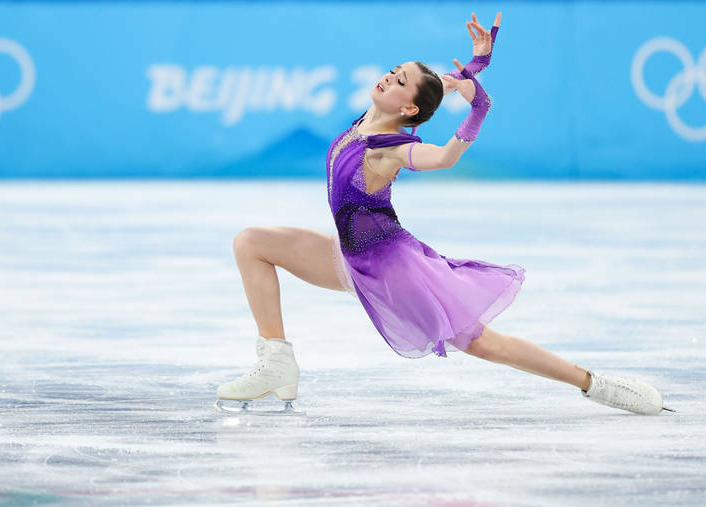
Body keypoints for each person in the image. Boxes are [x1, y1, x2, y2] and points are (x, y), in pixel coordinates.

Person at [215, 13, 673, 416]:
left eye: (399, 82)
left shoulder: (391, 147)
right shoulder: (370, 121)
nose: (388, 79)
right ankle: (276, 359)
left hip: (392, 267)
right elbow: (437, 90)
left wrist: (479, 105)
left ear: (409, 108)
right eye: (393, 72)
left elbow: (443, 157)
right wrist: (474, 67)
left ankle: (595, 383)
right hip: (350, 255)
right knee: (251, 242)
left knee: (480, 342)